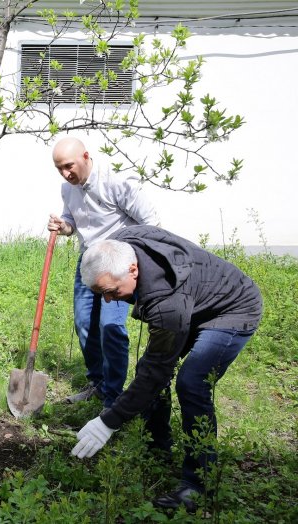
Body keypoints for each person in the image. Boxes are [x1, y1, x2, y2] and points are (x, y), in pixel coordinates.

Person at [70, 225, 262, 512]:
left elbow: (157, 370)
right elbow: (153, 369)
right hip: (193, 300)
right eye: (101, 294)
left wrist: (109, 421)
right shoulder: (120, 244)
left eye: (111, 292)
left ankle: (198, 485)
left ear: (133, 270)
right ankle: (157, 447)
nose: (109, 300)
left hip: (232, 308)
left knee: (192, 382)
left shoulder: (166, 303)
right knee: (150, 370)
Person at [47, 137, 159, 408]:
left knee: (110, 326)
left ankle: (113, 397)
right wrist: (64, 227)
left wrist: (137, 261)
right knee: (84, 323)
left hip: (117, 265)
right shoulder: (68, 189)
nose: (65, 173)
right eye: (59, 168)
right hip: (88, 261)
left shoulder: (117, 182)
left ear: (86, 156)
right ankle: (97, 383)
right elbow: (72, 221)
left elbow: (152, 224)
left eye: (69, 166)